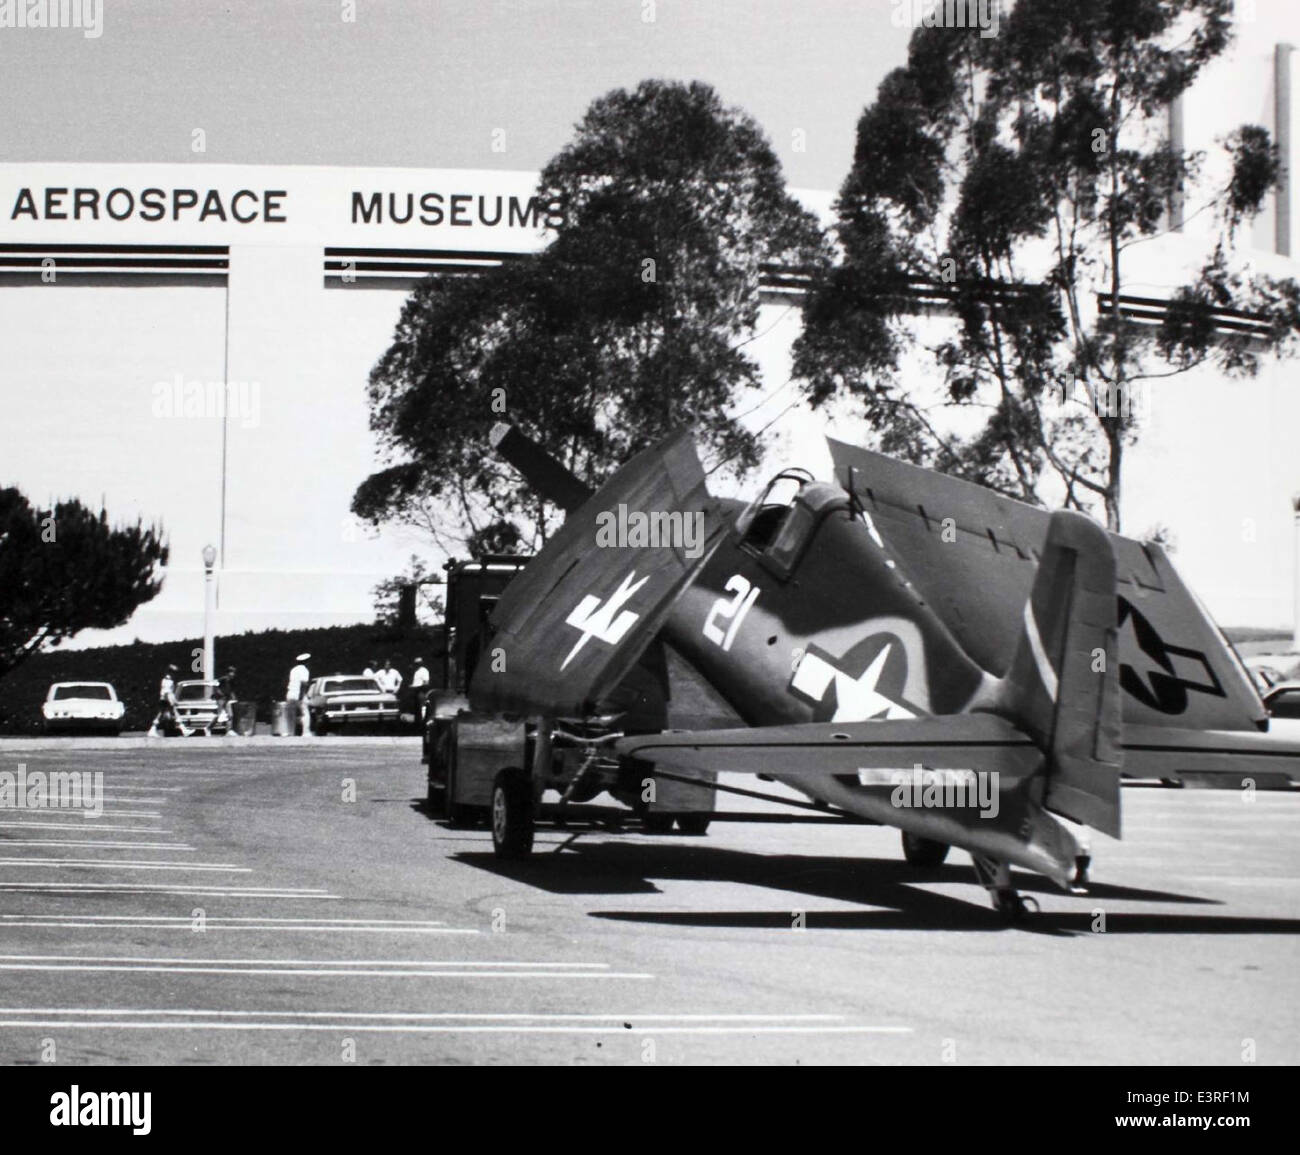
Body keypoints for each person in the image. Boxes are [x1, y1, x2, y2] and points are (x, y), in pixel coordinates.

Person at [147, 664, 180, 738]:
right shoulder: (168, 681)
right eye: (174, 672)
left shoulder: (166, 679)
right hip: (166, 699)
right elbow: (167, 693)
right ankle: (184, 729)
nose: (175, 674)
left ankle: (152, 730)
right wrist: (171, 701)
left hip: (164, 699)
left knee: (162, 714)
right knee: (173, 714)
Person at [287, 652, 312, 736]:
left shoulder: (293, 670)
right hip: (299, 693)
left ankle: (290, 731)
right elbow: (303, 683)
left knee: (291, 713)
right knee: (305, 713)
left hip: (290, 693)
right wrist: (302, 696)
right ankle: (306, 732)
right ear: (307, 661)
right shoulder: (304, 670)